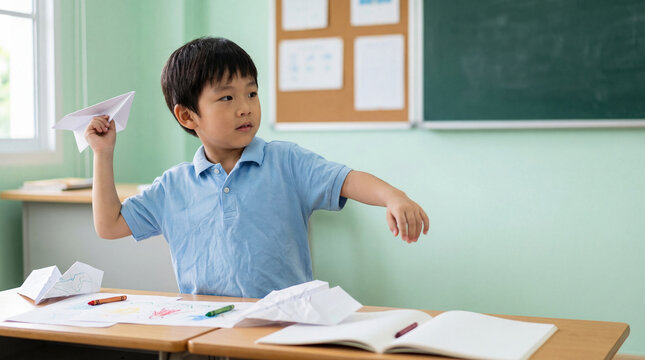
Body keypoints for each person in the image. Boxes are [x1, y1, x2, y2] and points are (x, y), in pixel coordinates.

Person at [85, 37, 429, 298]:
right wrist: (103, 154)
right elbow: (109, 224)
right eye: (227, 98)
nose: (245, 108)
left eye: (251, 93)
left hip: (285, 327)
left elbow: (348, 180)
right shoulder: (174, 187)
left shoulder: (286, 162)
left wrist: (393, 197)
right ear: (188, 116)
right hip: (208, 331)